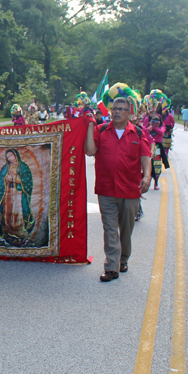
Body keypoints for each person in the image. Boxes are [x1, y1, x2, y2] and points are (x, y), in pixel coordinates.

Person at [84, 95, 151, 282]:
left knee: (126, 228)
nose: (116, 112)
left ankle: (123, 258)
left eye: (121, 109)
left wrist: (146, 176)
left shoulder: (138, 133)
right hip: (106, 189)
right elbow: (89, 151)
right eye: (114, 108)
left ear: (129, 113)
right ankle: (111, 267)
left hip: (130, 190)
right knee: (110, 228)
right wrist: (90, 126)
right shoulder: (101, 130)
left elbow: (146, 157)